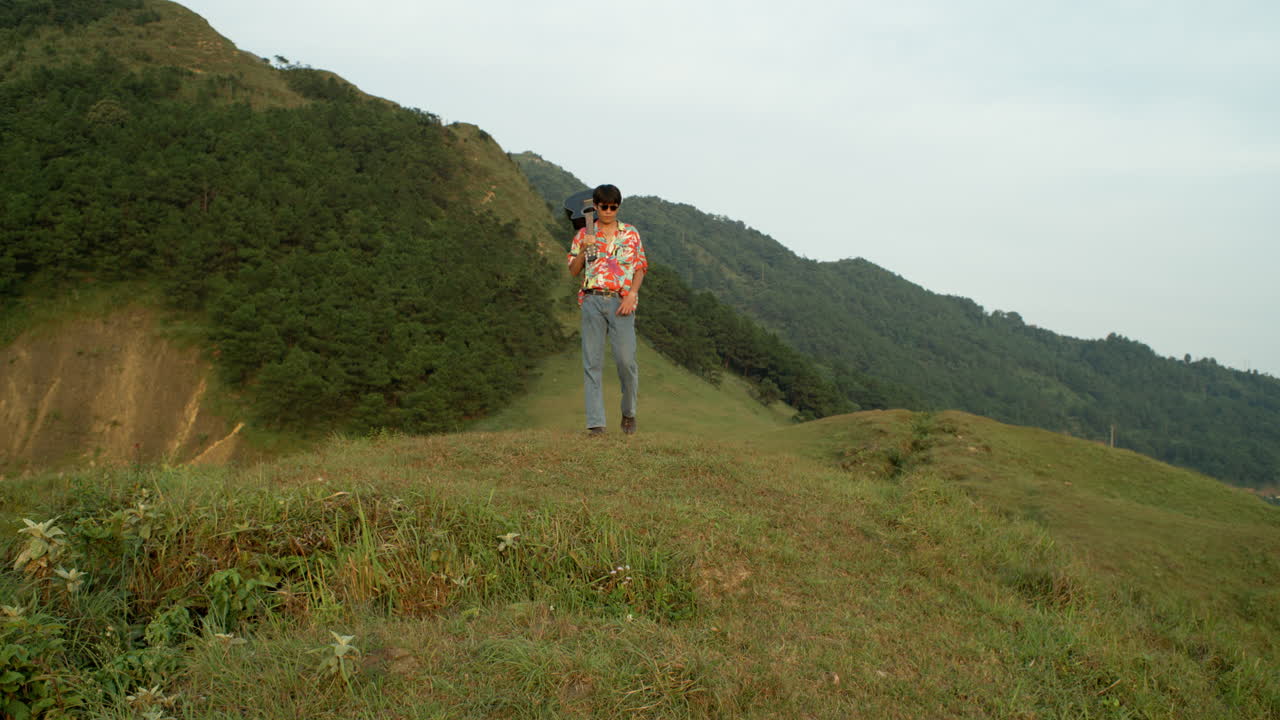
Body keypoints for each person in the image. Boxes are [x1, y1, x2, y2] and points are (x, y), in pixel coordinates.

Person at [567, 184, 647, 435]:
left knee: (626, 362)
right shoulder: (584, 233)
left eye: (613, 207)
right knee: (592, 362)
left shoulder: (630, 234)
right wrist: (583, 248)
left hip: (621, 303)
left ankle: (628, 413)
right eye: (604, 206)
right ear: (596, 207)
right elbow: (573, 270)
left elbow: (640, 266)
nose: (608, 211)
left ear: (618, 206)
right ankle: (596, 424)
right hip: (592, 300)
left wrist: (632, 294)